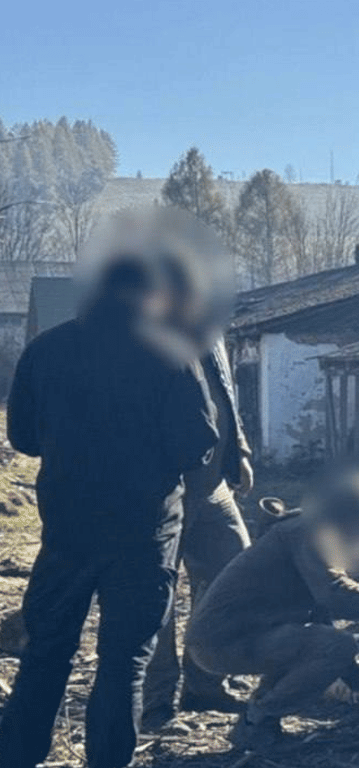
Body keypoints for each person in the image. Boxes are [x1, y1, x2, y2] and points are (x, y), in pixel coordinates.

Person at [0, 255, 217, 768]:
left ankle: (16, 758)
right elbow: (197, 444)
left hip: (68, 530)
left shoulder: (46, 349)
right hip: (145, 533)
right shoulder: (170, 352)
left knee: (45, 654)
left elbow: (23, 437)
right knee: (124, 663)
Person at [184, 467, 359, 751]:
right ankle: (259, 721)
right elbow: (335, 595)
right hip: (222, 642)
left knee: (320, 643)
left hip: (228, 638)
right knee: (337, 644)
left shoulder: (308, 530)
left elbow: (320, 621)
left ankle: (255, 724)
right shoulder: (311, 532)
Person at [142, 253, 256, 727]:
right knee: (157, 594)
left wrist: (240, 451)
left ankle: (205, 683)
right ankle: (155, 699)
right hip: (159, 489)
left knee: (235, 572)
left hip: (212, 486)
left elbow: (224, 393)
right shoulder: (140, 337)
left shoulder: (209, 329)